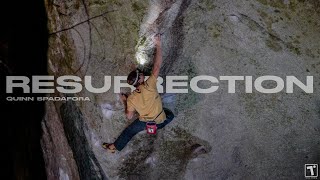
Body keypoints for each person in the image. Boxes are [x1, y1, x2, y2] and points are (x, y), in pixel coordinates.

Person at [102, 34, 175, 153]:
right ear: (140, 80)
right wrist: (158, 44)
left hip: (145, 123)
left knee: (129, 131)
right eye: (140, 74)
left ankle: (113, 147)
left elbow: (129, 116)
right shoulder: (149, 85)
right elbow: (156, 67)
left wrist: (125, 101)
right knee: (170, 114)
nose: (142, 74)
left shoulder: (131, 98)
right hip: (159, 121)